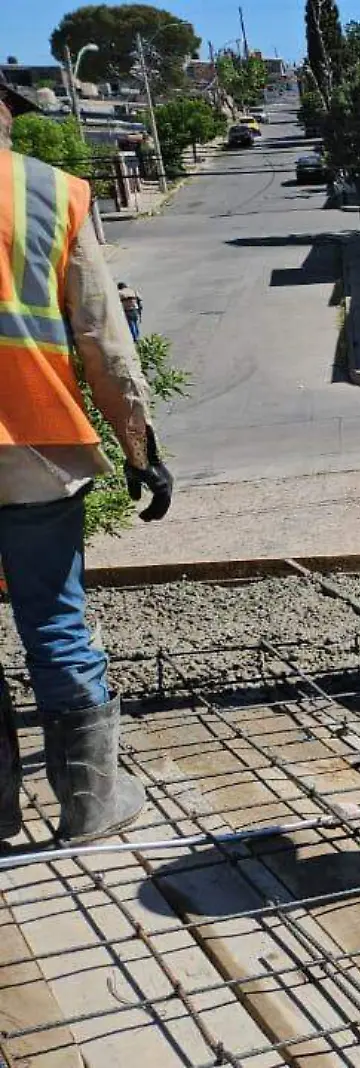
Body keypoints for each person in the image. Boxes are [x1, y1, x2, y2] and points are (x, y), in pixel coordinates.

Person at [0, 83, 173, 844]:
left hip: (32, 448)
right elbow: (105, 340)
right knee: (56, 623)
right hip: (33, 449)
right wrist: (140, 446)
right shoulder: (47, 193)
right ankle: (91, 803)